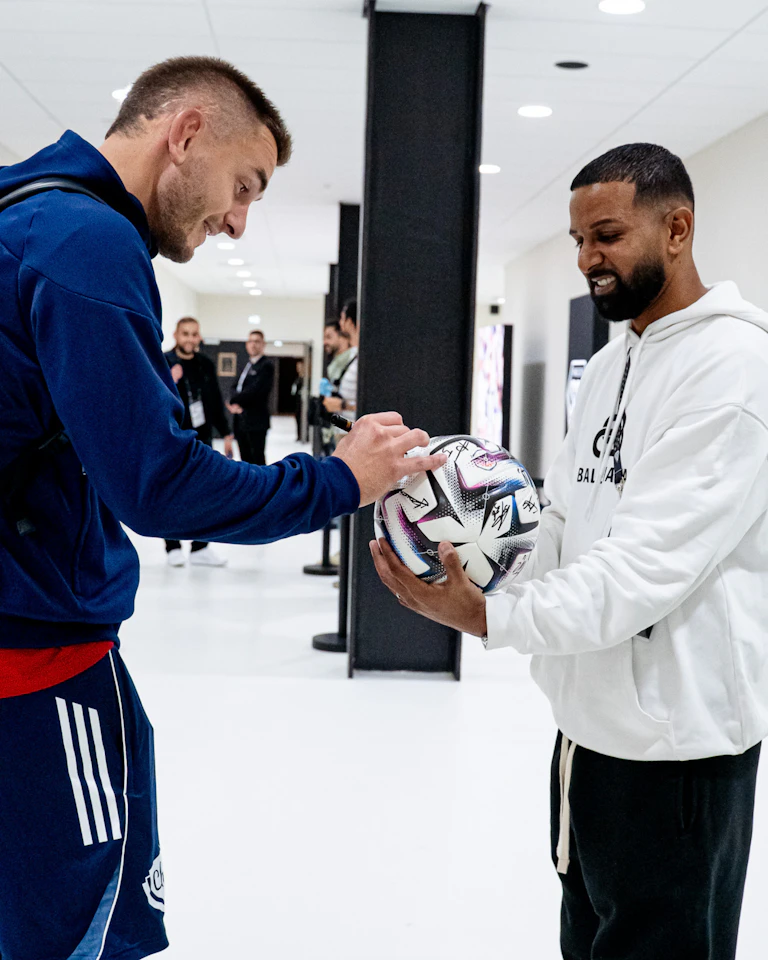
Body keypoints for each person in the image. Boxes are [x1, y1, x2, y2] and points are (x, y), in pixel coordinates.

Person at [0, 55, 446, 960]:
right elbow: (158, 485)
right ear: (187, 132)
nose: (239, 220)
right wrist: (342, 483)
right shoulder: (85, 243)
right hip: (38, 661)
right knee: (79, 929)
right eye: (244, 185)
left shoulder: (21, 211)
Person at [371, 143, 768, 960]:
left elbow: (645, 569)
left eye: (609, 235)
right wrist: (466, 528)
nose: (588, 259)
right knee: (586, 940)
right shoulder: (617, 359)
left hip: (677, 751)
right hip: (586, 734)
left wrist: (491, 615)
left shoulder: (735, 368)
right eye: (578, 239)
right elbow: (563, 516)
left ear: (679, 228)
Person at [164, 315, 232, 567]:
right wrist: (170, 380)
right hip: (172, 439)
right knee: (171, 494)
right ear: (176, 335)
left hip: (201, 439)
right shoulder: (163, 361)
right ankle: (172, 547)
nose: (190, 339)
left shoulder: (205, 363)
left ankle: (200, 548)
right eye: (186, 334)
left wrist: (226, 433)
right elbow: (152, 400)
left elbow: (214, 401)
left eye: (194, 334)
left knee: (204, 493)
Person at [227, 329, 273, 465]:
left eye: (257, 342)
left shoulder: (266, 366)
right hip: (240, 421)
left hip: (256, 422)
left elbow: (256, 391)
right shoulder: (246, 365)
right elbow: (234, 387)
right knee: (244, 459)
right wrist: (233, 401)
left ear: (263, 344)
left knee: (257, 459)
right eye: (250, 341)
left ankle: (262, 486)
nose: (253, 345)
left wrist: (235, 401)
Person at [324, 299, 358, 421]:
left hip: (356, 431)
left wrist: (342, 405)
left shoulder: (361, 359)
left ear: (349, 322)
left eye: (342, 318)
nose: (340, 323)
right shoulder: (353, 355)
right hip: (344, 429)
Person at [290, 359, 305, 441]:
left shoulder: (304, 379)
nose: (298, 368)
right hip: (297, 402)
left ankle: (302, 435)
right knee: (297, 419)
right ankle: (299, 435)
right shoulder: (298, 378)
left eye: (300, 366)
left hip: (303, 403)